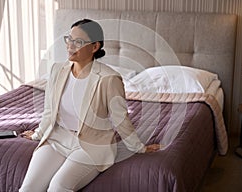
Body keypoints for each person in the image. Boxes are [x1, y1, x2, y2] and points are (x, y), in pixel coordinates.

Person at [19, 19, 160, 192]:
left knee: (58, 187)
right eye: (68, 39)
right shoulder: (57, 70)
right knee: (28, 188)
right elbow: (50, 111)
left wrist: (140, 148)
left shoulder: (109, 78)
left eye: (78, 42)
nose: (70, 46)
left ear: (94, 47)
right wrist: (38, 134)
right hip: (58, 138)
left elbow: (120, 118)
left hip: (93, 144)